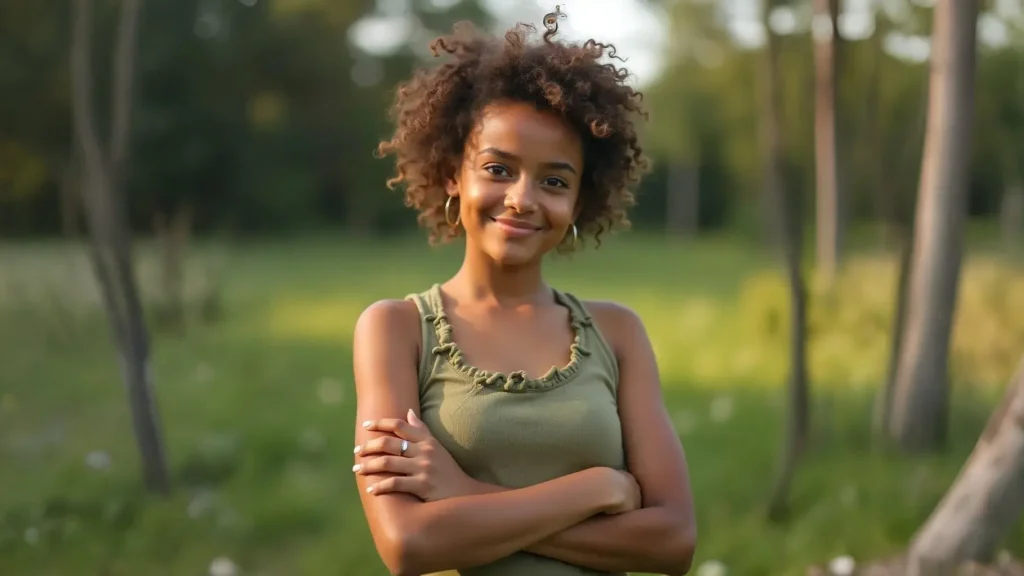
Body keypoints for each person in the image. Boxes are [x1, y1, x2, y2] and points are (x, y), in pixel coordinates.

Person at [351, 8, 696, 576]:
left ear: (580, 202)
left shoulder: (617, 333)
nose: (522, 199)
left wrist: (463, 495)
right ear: (451, 176)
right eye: (498, 168)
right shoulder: (396, 329)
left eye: (555, 181)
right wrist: (595, 487)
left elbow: (673, 540)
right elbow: (408, 544)